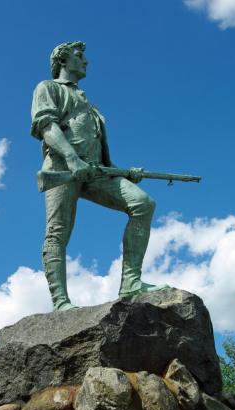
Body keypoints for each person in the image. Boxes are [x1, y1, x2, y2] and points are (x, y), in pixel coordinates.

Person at [31, 41, 164, 311]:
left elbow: (97, 149)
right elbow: (46, 126)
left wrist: (124, 171)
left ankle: (131, 283)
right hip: (62, 169)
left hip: (96, 172)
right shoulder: (48, 88)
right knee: (57, 233)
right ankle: (61, 302)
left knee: (143, 204)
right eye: (80, 56)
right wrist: (71, 158)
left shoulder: (90, 106)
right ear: (63, 60)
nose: (86, 61)